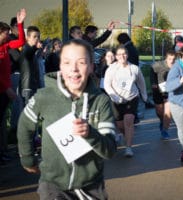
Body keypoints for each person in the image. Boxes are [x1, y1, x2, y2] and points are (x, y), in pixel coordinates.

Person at [17, 39, 117, 199]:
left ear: (92, 66)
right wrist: (28, 158)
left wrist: (90, 133)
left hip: (91, 186)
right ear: (61, 67)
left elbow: (110, 150)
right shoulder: (44, 96)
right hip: (53, 185)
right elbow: (24, 124)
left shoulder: (101, 101)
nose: (74, 69)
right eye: (67, 62)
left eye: (82, 62)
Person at [104, 45, 148, 157]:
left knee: (128, 121)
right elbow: (107, 85)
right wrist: (115, 97)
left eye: (124, 54)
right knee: (120, 125)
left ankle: (128, 148)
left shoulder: (134, 68)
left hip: (131, 98)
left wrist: (144, 95)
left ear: (127, 55)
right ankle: (126, 137)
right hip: (116, 100)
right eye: (119, 54)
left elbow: (141, 82)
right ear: (116, 56)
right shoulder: (111, 69)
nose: (122, 56)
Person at [0, 8, 26, 165]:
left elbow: (21, 42)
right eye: (5, 33)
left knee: (2, 121)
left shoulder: (5, 46)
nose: (8, 35)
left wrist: (21, 24)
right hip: (3, 90)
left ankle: (2, 151)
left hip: (4, 91)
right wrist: (7, 88)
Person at [150, 50, 176, 140]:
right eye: (170, 59)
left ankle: (165, 131)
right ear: (166, 59)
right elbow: (152, 70)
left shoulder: (177, 66)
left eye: (173, 59)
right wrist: (153, 82)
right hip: (158, 91)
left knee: (168, 112)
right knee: (160, 113)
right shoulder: (158, 65)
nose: (172, 61)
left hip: (170, 92)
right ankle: (162, 122)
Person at [19, 26, 42, 106]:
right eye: (34, 36)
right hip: (27, 87)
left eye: (38, 37)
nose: (37, 39)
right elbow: (28, 53)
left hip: (33, 86)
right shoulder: (26, 48)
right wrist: (36, 48)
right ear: (27, 38)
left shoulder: (33, 51)